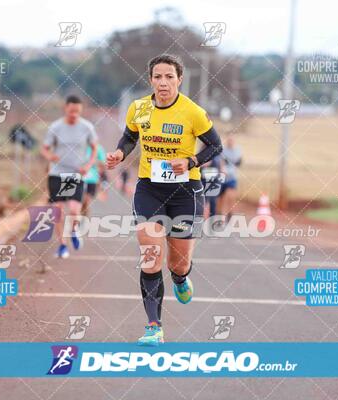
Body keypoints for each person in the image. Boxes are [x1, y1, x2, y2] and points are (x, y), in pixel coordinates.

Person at [106, 54, 223, 346]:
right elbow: (129, 137)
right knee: (150, 257)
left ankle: (181, 280)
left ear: (179, 80)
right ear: (150, 80)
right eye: (158, 77)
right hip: (149, 189)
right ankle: (153, 327)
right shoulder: (139, 108)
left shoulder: (192, 112)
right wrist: (120, 153)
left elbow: (215, 145)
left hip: (186, 193)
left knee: (179, 263)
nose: (163, 83)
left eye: (169, 77)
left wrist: (192, 160)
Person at [41, 95, 97, 259]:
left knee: (73, 209)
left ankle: (74, 231)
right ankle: (62, 245)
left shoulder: (87, 127)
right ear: (65, 108)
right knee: (58, 211)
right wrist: (50, 156)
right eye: (71, 111)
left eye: (77, 112)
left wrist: (88, 165)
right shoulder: (56, 127)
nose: (74, 114)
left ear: (80, 111)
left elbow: (94, 148)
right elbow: (44, 148)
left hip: (75, 173)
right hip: (57, 173)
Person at [217, 136, 242, 221]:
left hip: (232, 177)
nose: (230, 141)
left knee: (230, 196)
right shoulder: (223, 150)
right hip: (223, 177)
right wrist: (222, 170)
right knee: (221, 198)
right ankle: (220, 214)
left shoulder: (238, 150)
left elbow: (239, 162)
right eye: (229, 140)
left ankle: (230, 214)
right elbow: (221, 162)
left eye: (232, 140)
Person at [81, 143, 107, 217]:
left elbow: (103, 163)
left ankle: (84, 220)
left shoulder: (98, 148)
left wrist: (92, 161)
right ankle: (76, 221)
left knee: (86, 201)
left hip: (92, 179)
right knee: (79, 201)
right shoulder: (81, 146)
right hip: (79, 177)